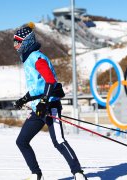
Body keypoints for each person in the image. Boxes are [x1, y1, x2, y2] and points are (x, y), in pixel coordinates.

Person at [13, 22, 88, 180]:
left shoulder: (37, 58)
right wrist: (24, 99)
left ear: (26, 42)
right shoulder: (29, 59)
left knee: (58, 141)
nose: (15, 46)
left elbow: (50, 81)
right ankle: (36, 174)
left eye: (18, 42)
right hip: (37, 108)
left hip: (50, 106)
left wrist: (44, 101)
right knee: (22, 141)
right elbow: (37, 86)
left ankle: (78, 173)